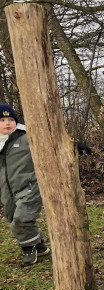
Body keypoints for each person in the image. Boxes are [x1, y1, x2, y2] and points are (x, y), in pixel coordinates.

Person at [0, 104, 49, 266]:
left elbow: (49, 144)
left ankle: (28, 248)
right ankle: (39, 244)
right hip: (7, 190)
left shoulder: (26, 136)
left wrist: (73, 145)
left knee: (22, 219)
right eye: (2, 120)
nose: (7, 123)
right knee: (12, 217)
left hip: (29, 185)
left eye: (10, 119)